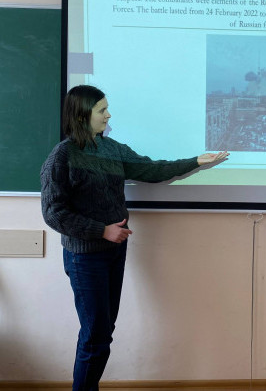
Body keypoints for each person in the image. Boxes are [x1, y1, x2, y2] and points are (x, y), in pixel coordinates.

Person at [40, 85, 228, 391]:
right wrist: (102, 230)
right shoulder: (63, 156)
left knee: (103, 331)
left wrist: (196, 161)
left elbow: (152, 169)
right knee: (96, 335)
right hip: (84, 257)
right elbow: (54, 213)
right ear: (82, 115)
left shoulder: (112, 149)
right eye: (102, 110)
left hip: (114, 251)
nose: (108, 115)